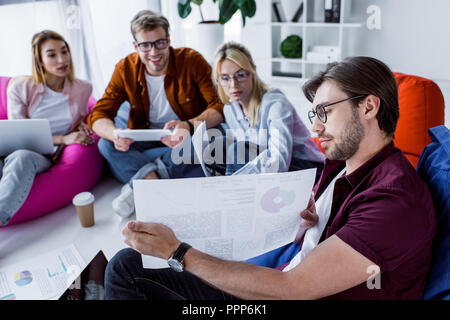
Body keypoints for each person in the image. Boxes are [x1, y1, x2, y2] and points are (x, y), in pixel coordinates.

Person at [104, 56, 436, 300]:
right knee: (133, 261)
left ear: (368, 107)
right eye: (314, 114)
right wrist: (312, 222)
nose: (315, 127)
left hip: (283, 290)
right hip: (285, 269)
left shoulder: (395, 199)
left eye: (326, 112)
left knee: (128, 270)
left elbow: (294, 288)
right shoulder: (342, 164)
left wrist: (177, 252)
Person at [87, 10, 223, 218]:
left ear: (169, 40)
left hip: (183, 134)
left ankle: (137, 186)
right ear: (135, 46)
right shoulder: (125, 68)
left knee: (214, 136)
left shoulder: (191, 60)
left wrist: (187, 124)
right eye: (145, 45)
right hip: (145, 136)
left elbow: (218, 107)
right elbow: (99, 114)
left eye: (159, 43)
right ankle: (153, 178)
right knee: (105, 144)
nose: (153, 52)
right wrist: (114, 133)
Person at [1, 30, 93, 226]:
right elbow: (19, 133)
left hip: (40, 155)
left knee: (21, 157)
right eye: (51, 54)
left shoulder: (83, 88)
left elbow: (84, 117)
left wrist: (81, 128)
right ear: (40, 60)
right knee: (15, 156)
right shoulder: (20, 87)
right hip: (11, 149)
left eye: (64, 51)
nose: (61, 59)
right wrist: (64, 138)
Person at [206, 41, 324, 177]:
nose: (233, 85)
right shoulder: (230, 110)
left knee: (238, 150)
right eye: (225, 78)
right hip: (268, 166)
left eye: (240, 75)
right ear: (218, 81)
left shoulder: (276, 104)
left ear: (253, 72)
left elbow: (279, 163)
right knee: (216, 148)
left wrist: (234, 179)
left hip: (308, 169)